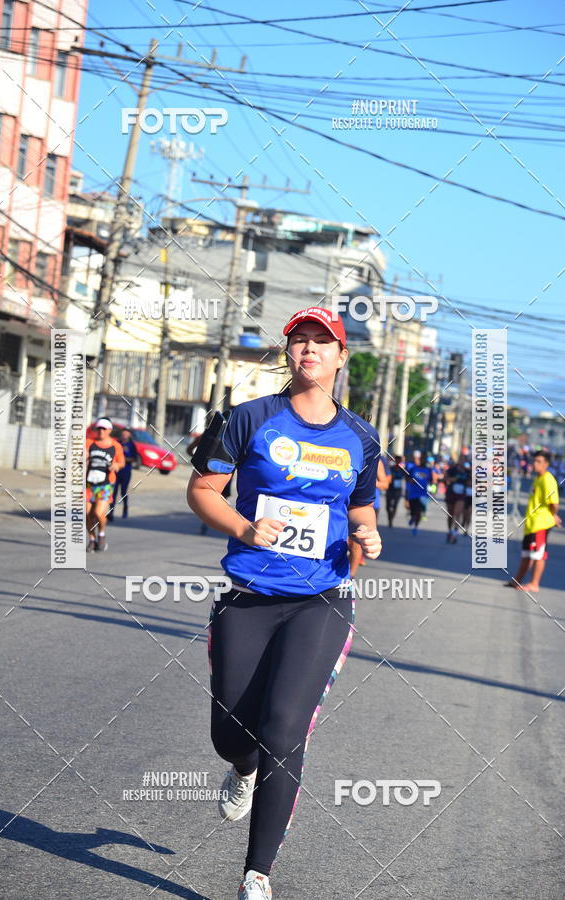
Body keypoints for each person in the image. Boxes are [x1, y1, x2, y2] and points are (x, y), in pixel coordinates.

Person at [187, 306, 382, 900]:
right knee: (231, 734)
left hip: (320, 599)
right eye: (300, 340)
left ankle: (257, 874)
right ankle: (241, 769)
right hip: (249, 595)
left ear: (341, 357)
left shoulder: (362, 437)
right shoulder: (249, 420)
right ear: (288, 352)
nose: (310, 350)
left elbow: (361, 511)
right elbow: (202, 491)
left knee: (285, 728)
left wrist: (369, 537)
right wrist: (246, 530)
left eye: (323, 342)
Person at [505, 450, 562, 592]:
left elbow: (554, 503)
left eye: (539, 461)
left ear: (546, 464)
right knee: (526, 554)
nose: (535, 464)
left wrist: (553, 515)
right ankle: (516, 580)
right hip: (531, 524)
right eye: (534, 461)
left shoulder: (548, 480)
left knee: (538, 555)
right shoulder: (538, 478)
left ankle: (534, 584)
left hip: (540, 524)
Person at [85, 418, 124, 551]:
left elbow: (121, 462)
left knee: (98, 512)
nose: (101, 431)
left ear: (109, 430)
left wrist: (116, 465)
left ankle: (101, 534)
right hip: (88, 484)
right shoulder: (89, 443)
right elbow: (80, 458)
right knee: (87, 513)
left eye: (103, 429)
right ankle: (91, 539)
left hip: (105, 485)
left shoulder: (115, 446)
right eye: (99, 428)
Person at [110, 427, 138, 521]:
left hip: (126, 471)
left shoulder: (131, 445)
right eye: (123, 434)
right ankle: (111, 513)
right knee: (113, 493)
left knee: (123, 492)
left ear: (129, 435)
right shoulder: (117, 443)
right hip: (116, 471)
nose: (124, 436)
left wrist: (123, 459)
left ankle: (125, 508)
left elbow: (134, 459)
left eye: (126, 434)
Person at [404, 452, 433, 535]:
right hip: (413, 493)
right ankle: (412, 518)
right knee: (413, 510)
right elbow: (407, 478)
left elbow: (431, 481)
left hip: (422, 494)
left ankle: (415, 527)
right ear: (420, 459)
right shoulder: (413, 469)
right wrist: (411, 481)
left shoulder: (428, 470)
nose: (423, 460)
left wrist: (432, 489)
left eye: (424, 458)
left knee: (419, 511)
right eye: (422, 458)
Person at [444, 454, 468, 543]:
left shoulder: (467, 471)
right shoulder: (452, 469)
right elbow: (445, 478)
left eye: (463, 459)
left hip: (461, 495)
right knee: (450, 515)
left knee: (457, 513)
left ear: (465, 461)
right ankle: (450, 531)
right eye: (460, 459)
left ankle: (454, 533)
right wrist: (452, 479)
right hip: (451, 493)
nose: (461, 461)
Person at [386, 455, 406, 527]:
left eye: (399, 460)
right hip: (390, 489)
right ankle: (389, 518)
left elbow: (408, 477)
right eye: (396, 460)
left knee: (395, 505)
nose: (398, 462)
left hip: (398, 490)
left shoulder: (403, 470)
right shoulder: (391, 469)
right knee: (388, 506)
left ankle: (391, 519)